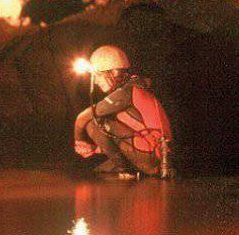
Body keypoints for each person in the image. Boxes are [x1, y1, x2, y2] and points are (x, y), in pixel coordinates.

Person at [73, 45, 173, 177]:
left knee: (95, 122)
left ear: (114, 73)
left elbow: (83, 117)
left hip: (152, 156)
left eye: (98, 75)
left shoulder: (126, 92)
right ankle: (126, 166)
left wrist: (79, 141)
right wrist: (96, 149)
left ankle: (127, 170)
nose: (95, 81)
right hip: (157, 155)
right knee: (101, 168)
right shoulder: (133, 87)